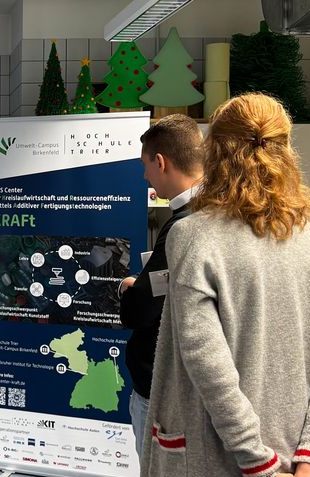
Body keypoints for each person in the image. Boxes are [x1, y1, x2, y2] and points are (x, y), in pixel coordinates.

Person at [139, 93, 310, 477]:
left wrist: (265, 472)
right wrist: (307, 469)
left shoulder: (194, 237)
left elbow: (209, 368)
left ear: (214, 152)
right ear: (286, 152)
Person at [118, 114, 204, 457]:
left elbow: (140, 309)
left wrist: (130, 289)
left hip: (163, 387)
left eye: (145, 166)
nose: (145, 177)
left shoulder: (184, 225)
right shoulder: (216, 211)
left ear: (161, 161)